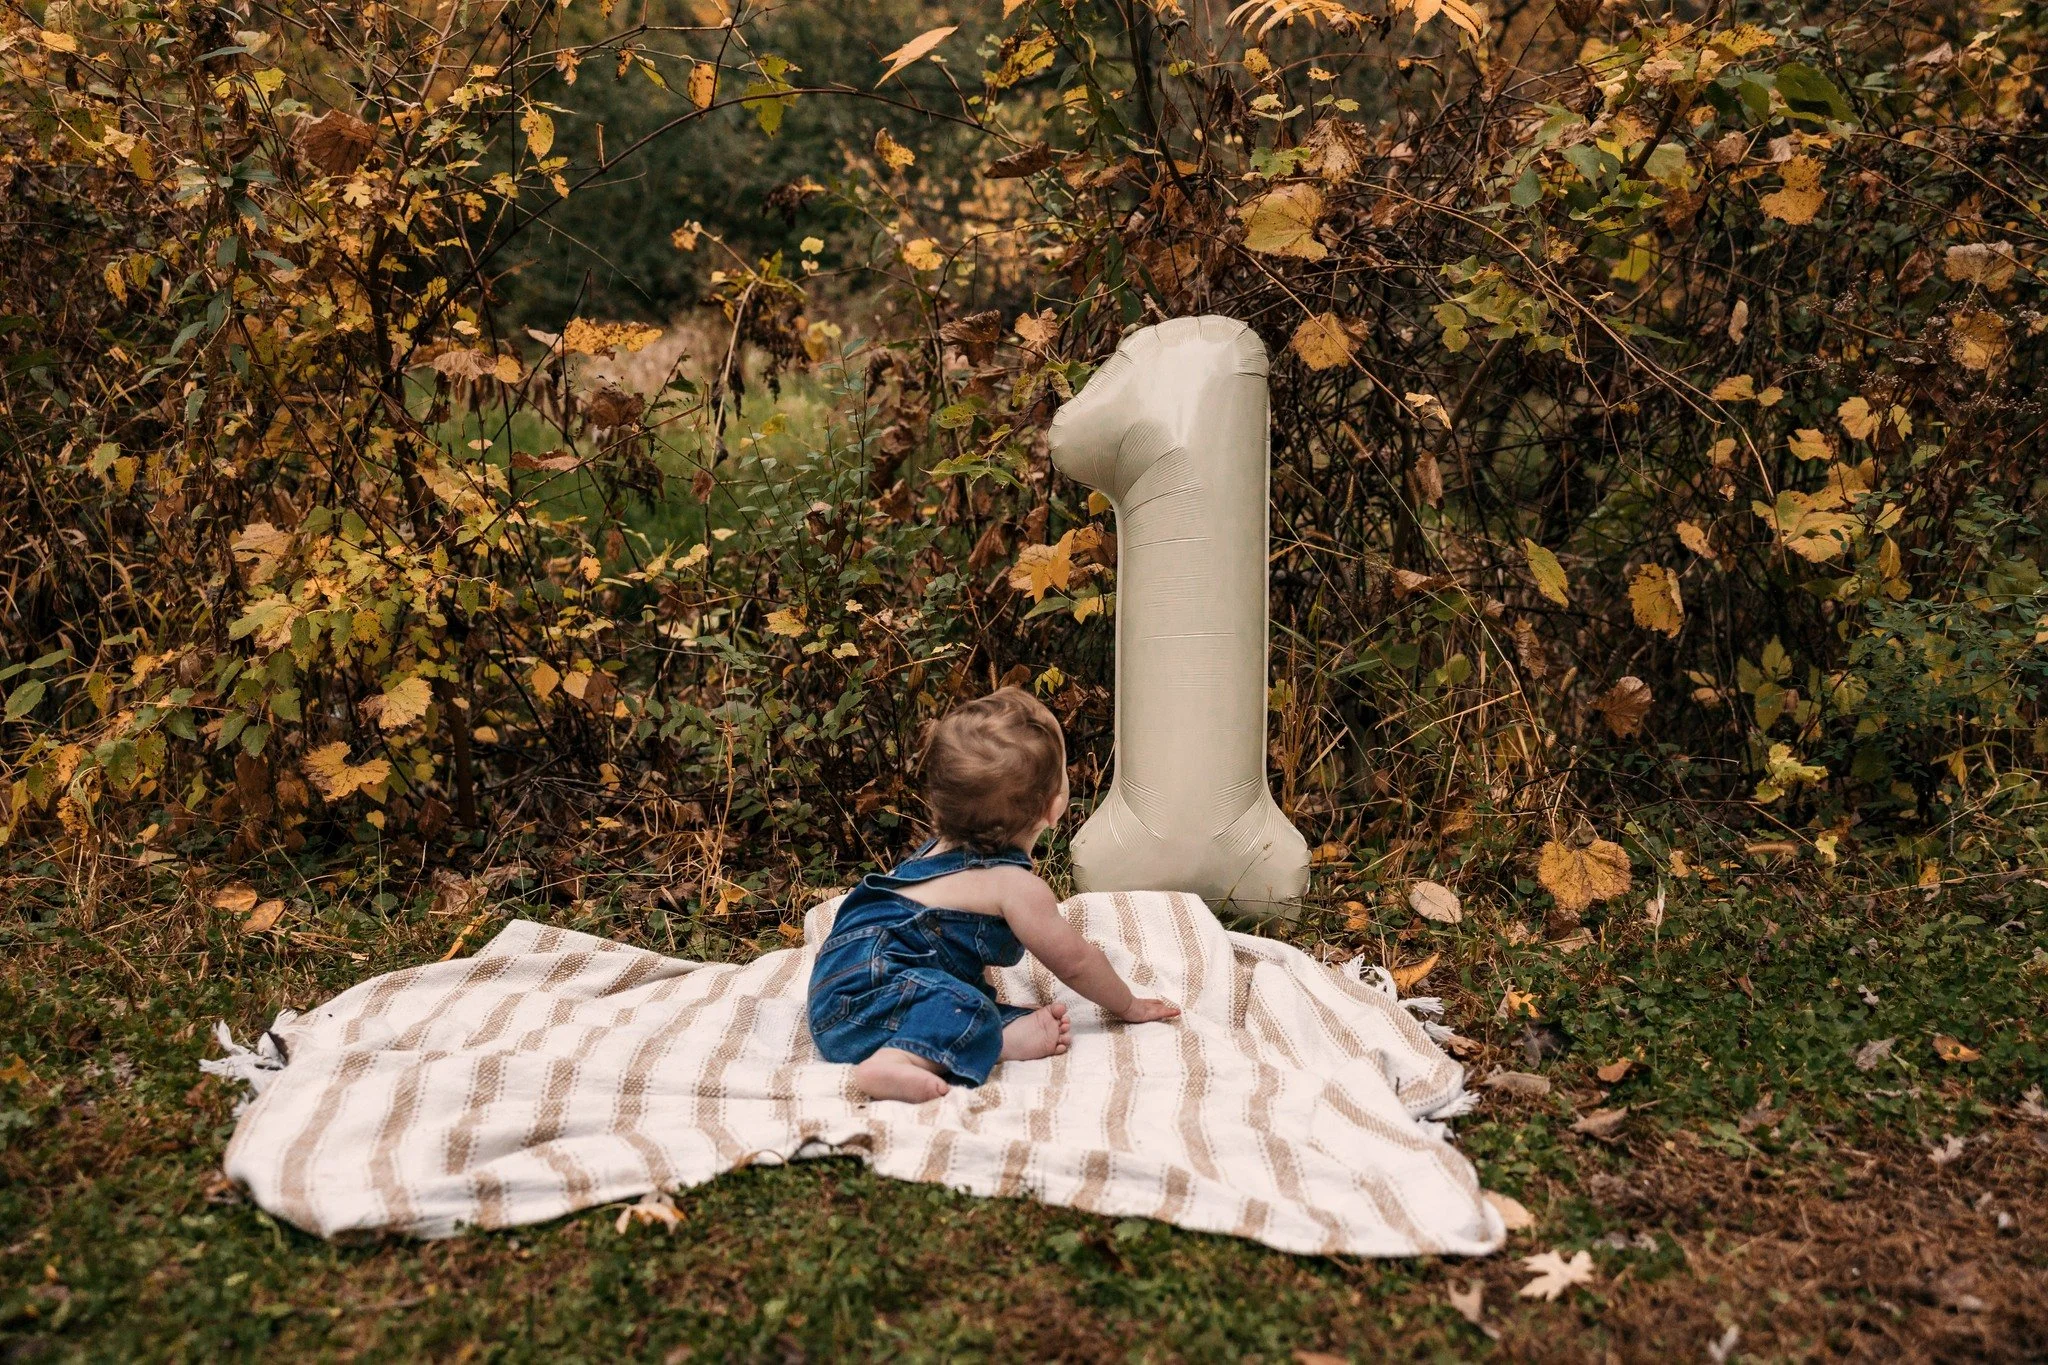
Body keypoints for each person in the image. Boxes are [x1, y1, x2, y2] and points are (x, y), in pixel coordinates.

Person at [807, 686, 1181, 1102]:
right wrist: (1128, 1005)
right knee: (964, 1006)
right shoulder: (1015, 886)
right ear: (1053, 807)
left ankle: (989, 1032)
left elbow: (951, 957)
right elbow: (1076, 961)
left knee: (970, 999)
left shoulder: (937, 850)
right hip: (866, 1005)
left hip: (834, 994)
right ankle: (898, 1060)